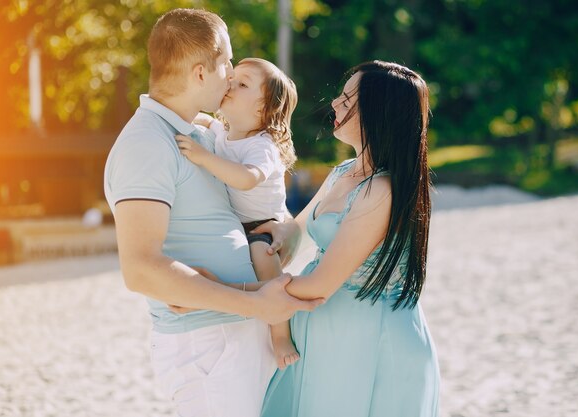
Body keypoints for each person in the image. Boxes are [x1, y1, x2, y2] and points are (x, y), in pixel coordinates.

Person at [103, 9, 321, 417]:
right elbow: (141, 269)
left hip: (237, 327)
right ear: (201, 73)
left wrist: (287, 230)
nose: (231, 75)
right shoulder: (146, 145)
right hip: (206, 346)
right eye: (227, 65)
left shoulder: (198, 134)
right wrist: (257, 305)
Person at [258, 61, 440, 416]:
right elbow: (297, 230)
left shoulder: (381, 190)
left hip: (370, 341)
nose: (336, 105)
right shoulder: (345, 172)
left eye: (347, 99)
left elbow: (321, 284)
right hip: (327, 336)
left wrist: (233, 293)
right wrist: (275, 234)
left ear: (378, 111)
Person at [174, 57, 300, 370]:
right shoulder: (221, 131)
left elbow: (246, 178)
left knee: (263, 258)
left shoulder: (262, 145)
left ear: (264, 109)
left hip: (263, 225)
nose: (230, 84)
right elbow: (197, 117)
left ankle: (280, 332)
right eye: (232, 79)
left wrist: (204, 158)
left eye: (242, 84)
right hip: (233, 223)